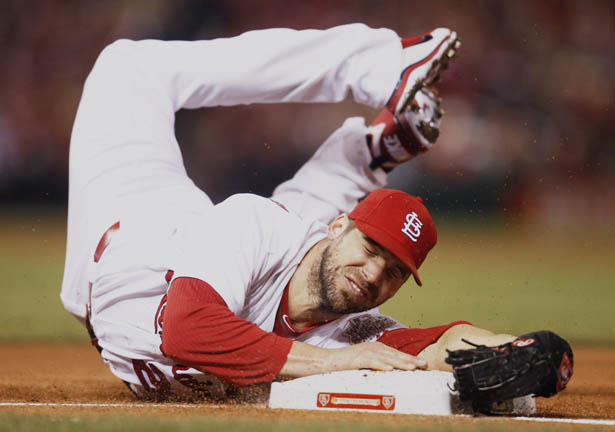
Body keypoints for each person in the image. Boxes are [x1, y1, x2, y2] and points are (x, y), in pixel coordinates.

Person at [60, 24, 534, 401]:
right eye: (371, 249)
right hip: (137, 227)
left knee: (311, 254)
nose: (374, 275)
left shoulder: (352, 330)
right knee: (126, 67)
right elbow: (187, 330)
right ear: (340, 222)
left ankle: (374, 150)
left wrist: (524, 355)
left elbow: (439, 343)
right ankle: (380, 66)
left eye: (394, 272)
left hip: (251, 250)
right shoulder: (253, 226)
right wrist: (331, 363)